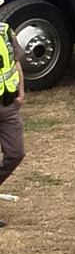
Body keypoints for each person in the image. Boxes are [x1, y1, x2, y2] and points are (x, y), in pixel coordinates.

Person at [0, 21, 22, 213]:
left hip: (8, 104)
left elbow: (16, 62)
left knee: (16, 153)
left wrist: (21, 94)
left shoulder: (6, 31)